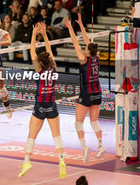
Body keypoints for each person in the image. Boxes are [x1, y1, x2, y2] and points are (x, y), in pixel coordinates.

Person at [18, 22, 66, 179]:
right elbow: (49, 51)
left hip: (40, 106)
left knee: (32, 135)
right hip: (51, 105)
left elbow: (31, 50)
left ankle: (26, 162)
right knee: (56, 135)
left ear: (40, 62)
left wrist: (34, 34)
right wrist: (44, 34)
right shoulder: (53, 68)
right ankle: (61, 161)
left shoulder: (39, 70)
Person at [64, 14, 105, 164]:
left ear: (88, 51)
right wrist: (81, 25)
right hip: (97, 92)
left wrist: (70, 27)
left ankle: (84, 147)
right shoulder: (97, 56)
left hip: (86, 93)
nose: (85, 47)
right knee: (94, 122)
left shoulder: (83, 58)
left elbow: (76, 41)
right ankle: (100, 146)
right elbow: (88, 42)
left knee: (78, 123)